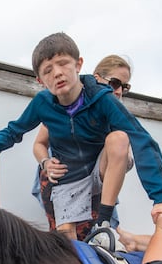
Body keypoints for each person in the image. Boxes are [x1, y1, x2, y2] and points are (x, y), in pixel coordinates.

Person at [0, 33, 162, 251]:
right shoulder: (43, 104)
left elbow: (140, 137)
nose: (57, 73)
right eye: (48, 71)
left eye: (63, 64)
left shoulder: (102, 99)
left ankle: (103, 223)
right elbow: (15, 129)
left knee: (119, 138)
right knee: (69, 247)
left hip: (99, 171)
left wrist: (161, 196)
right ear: (41, 80)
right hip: (68, 177)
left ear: (78, 64)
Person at [31, 54, 135, 240]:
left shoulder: (114, 113)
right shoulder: (69, 105)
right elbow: (39, 143)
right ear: (97, 78)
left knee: (111, 238)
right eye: (114, 83)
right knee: (69, 240)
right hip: (63, 178)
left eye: (124, 87)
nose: (119, 91)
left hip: (96, 185)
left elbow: (123, 156)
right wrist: (45, 162)